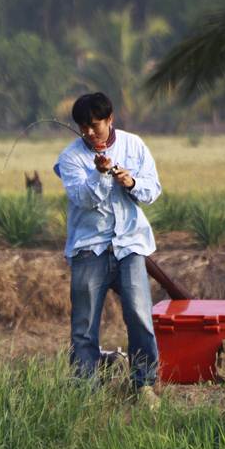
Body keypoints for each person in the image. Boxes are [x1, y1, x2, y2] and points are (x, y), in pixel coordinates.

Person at [53, 92, 161, 402]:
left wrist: (131, 183)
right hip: (89, 248)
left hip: (129, 246)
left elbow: (153, 189)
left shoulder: (134, 145)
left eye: (94, 125)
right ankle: (84, 390)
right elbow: (84, 199)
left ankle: (144, 385)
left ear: (109, 120)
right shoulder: (70, 158)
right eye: (82, 127)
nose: (88, 132)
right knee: (84, 325)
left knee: (140, 316)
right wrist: (100, 175)